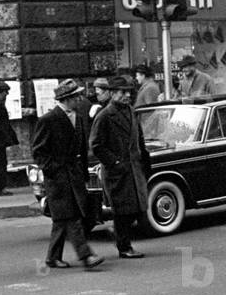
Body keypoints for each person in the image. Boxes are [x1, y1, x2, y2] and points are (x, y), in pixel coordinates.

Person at [31, 79, 105, 270]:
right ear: (67, 99)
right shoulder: (48, 120)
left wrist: (83, 173)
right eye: (76, 96)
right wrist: (53, 170)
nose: (80, 99)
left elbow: (81, 147)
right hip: (58, 178)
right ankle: (86, 256)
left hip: (75, 176)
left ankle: (52, 258)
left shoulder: (78, 117)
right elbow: (39, 152)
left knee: (62, 219)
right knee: (72, 218)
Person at [89, 76, 150, 258]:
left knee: (137, 208)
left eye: (129, 92)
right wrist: (114, 163)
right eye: (123, 92)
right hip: (118, 172)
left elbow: (139, 138)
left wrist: (144, 160)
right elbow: (96, 145)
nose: (127, 95)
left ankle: (123, 241)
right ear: (113, 93)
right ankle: (124, 247)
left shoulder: (130, 111)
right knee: (122, 211)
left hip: (134, 168)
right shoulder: (105, 116)